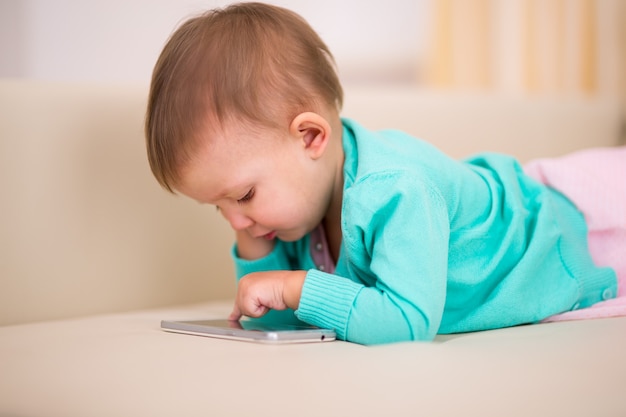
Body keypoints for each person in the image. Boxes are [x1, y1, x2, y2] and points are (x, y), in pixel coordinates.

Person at [144, 2, 624, 345]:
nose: (235, 221)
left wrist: (295, 286)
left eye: (244, 195)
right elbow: (282, 323)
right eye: (218, 208)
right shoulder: (294, 209)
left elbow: (408, 322)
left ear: (311, 138)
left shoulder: (394, 190)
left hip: (548, 234)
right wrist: (260, 254)